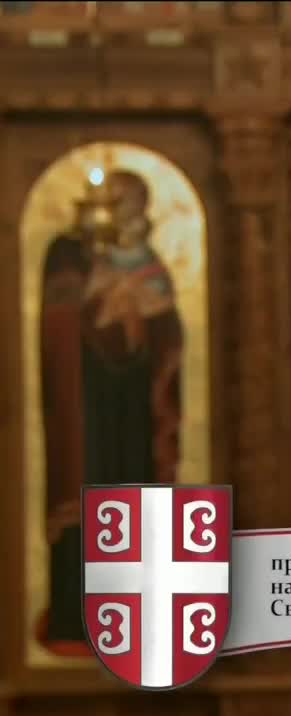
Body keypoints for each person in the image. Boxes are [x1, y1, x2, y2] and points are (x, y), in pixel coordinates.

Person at [40, 169, 184, 653]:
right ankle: (78, 617)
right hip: (83, 408)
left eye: (129, 204)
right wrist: (100, 301)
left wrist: (144, 317)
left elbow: (168, 335)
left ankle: (140, 618)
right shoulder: (70, 255)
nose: (120, 214)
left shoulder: (148, 262)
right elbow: (58, 320)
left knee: (134, 497)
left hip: (134, 410)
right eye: (114, 202)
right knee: (87, 497)